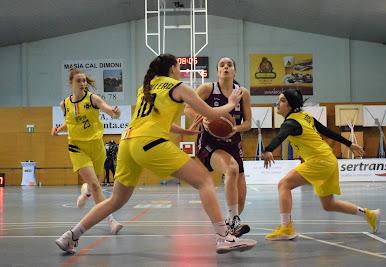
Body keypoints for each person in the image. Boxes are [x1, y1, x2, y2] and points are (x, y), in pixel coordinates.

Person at [55, 54, 257, 254]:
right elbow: (212, 114)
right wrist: (231, 103)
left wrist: (185, 132)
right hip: (150, 143)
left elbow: (154, 121)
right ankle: (224, 238)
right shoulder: (178, 87)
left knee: (115, 200)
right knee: (205, 181)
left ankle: (71, 236)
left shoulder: (146, 88)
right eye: (179, 67)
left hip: (127, 142)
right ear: (172, 69)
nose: (180, 71)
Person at [262, 89, 381, 241]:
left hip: (319, 160)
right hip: (329, 160)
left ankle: (286, 228)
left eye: (283, 100)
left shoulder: (290, 123)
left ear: (291, 106)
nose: (278, 103)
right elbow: (328, 132)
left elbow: (280, 137)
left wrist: (268, 149)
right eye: (278, 100)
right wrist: (349, 144)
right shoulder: (305, 117)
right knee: (329, 204)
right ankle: (370, 215)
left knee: (283, 185)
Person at [184, 57, 252, 237]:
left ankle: (231, 223)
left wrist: (234, 128)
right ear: (218, 71)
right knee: (231, 168)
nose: (226, 67)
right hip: (209, 143)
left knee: (242, 197)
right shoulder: (207, 89)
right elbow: (187, 109)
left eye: (230, 64)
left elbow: (248, 123)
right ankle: (234, 222)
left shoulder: (242, 93)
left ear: (234, 71)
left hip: (233, 143)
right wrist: (203, 118)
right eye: (222, 65)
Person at [51, 68, 123, 235]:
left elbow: (109, 111)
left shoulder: (93, 99)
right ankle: (111, 220)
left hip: (96, 146)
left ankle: (86, 193)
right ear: (71, 83)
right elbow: (70, 122)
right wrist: (58, 129)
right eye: (79, 81)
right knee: (96, 186)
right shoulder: (65, 104)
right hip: (76, 147)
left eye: (84, 80)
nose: (83, 83)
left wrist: (115, 113)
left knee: (93, 184)